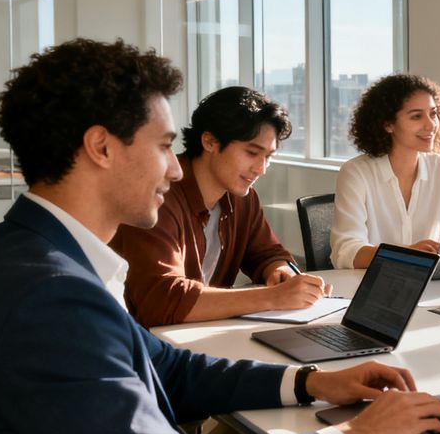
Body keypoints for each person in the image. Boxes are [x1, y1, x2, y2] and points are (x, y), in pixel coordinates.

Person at [0, 39, 440, 434]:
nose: (175, 168)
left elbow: (168, 368)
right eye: (162, 146)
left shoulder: (32, 255)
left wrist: (312, 382)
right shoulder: (50, 299)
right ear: (101, 147)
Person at [111, 86, 327, 327]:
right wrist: (272, 297)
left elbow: (268, 254)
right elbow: (161, 299)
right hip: (142, 345)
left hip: (198, 335)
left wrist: (282, 272)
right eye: (252, 152)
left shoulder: (243, 198)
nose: (261, 169)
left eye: (268, 156)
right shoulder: (158, 198)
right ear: (210, 141)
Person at [330, 74, 440, 269]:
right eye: (416, 116)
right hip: (371, 286)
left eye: (433, 114)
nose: (431, 124)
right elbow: (346, 251)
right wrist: (406, 254)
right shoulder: (356, 172)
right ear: (388, 124)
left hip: (431, 284)